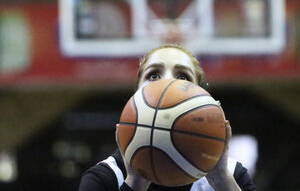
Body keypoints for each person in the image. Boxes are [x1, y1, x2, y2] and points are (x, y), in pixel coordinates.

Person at [78, 44, 256, 191]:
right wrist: (135, 183)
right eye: (154, 75)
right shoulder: (105, 178)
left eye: (183, 76)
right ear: (136, 94)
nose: (168, 83)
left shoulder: (231, 176)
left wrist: (221, 180)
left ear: (202, 98)